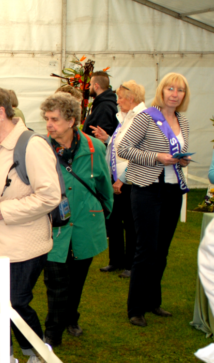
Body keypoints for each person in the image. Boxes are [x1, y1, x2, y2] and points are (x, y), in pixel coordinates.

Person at [0, 84, 61, 362]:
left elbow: (49, 196)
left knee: (16, 303)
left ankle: (36, 353)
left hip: (22, 246)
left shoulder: (32, 145)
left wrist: (2, 211)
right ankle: (1, 357)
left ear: (0, 113)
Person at [118, 73, 191, 327]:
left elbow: (177, 153)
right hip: (147, 188)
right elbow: (123, 148)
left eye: (180, 90)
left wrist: (181, 160)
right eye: (170, 88)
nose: (175, 93)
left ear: (184, 95)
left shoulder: (183, 121)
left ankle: (152, 301)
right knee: (146, 250)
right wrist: (157, 157)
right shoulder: (146, 117)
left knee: (162, 251)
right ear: (162, 91)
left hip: (172, 190)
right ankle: (135, 309)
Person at [41, 93, 113, 347]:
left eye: (55, 119)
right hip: (54, 227)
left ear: (71, 121)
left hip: (85, 225)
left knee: (76, 279)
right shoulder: (40, 148)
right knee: (56, 280)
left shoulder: (95, 147)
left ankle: (71, 316)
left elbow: (104, 186)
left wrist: (102, 214)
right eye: (47, 118)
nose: (49, 124)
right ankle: (52, 333)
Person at [91, 80, 146, 278]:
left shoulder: (141, 118)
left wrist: (121, 179)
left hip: (130, 180)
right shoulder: (123, 118)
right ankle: (116, 260)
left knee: (131, 224)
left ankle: (131, 264)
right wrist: (107, 138)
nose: (118, 101)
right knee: (114, 220)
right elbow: (119, 146)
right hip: (116, 177)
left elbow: (138, 153)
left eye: (121, 97)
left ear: (131, 98)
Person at [83, 71, 119, 141]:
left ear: (96, 86)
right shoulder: (102, 103)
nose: (89, 87)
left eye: (90, 84)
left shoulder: (104, 106)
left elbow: (101, 135)